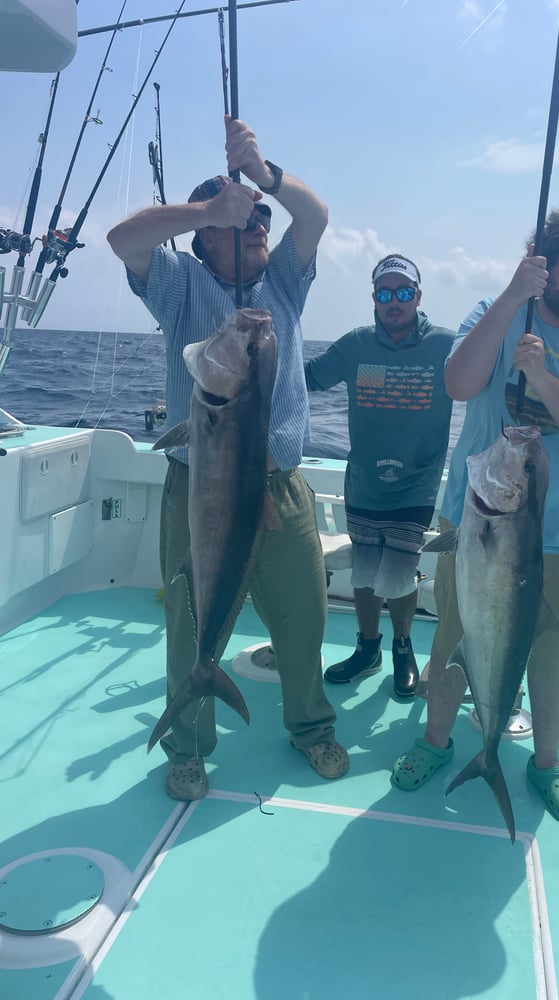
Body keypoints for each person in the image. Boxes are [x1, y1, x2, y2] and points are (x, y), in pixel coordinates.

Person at [107, 116, 349, 800]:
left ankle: (311, 726)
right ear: (206, 237)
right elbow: (123, 239)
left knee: (304, 617)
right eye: (242, 221)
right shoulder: (179, 283)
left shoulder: (284, 286)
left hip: (281, 483)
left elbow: (317, 214)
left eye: (260, 219)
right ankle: (188, 744)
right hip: (200, 485)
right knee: (189, 623)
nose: (258, 227)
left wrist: (266, 175)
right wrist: (207, 206)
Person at [391, 203, 559, 826]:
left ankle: (547, 761)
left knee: (553, 649)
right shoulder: (496, 310)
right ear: (546, 257)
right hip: (476, 519)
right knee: (457, 635)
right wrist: (512, 295)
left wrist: (538, 373)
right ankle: (438, 740)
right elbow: (458, 382)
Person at [305, 255, 454, 698]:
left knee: (400, 573)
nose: (395, 302)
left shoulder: (447, 344)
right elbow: (306, 378)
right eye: (385, 294)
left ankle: (402, 649)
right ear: (374, 298)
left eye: (403, 293)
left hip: (417, 482)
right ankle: (368, 647)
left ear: (418, 297)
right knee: (365, 571)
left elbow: (484, 375)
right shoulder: (355, 345)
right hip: (365, 481)